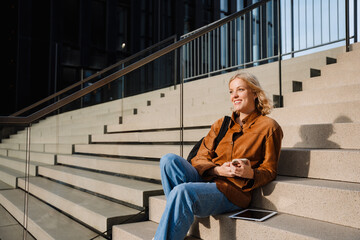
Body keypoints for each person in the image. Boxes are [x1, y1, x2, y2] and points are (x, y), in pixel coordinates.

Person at [154, 71, 283, 240]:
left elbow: (269, 170)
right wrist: (217, 170)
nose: (234, 95)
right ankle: (178, 219)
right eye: (231, 91)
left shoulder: (269, 127)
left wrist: (250, 173)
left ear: (255, 93)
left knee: (182, 191)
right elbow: (198, 158)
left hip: (233, 191)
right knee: (168, 160)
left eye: (240, 90)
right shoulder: (221, 124)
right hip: (209, 178)